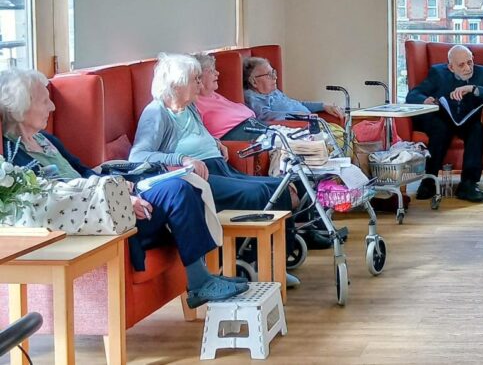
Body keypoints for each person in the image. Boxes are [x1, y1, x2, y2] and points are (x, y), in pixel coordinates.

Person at [0, 68, 248, 308]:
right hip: (90, 216)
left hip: (107, 201)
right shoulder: (13, 157)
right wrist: (116, 199)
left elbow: (84, 171)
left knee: (184, 185)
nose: (52, 107)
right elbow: (53, 196)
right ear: (21, 108)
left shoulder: (46, 141)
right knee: (177, 191)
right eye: (45, 102)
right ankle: (200, 282)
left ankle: (203, 276)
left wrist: (121, 192)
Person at [130, 53, 304, 286]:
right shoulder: (157, 112)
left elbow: (197, 134)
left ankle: (276, 262)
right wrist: (181, 158)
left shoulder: (189, 107)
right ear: (176, 83)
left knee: (280, 185)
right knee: (260, 193)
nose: (200, 85)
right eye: (195, 80)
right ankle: (256, 262)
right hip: (197, 177)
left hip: (219, 166)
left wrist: (215, 142)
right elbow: (138, 156)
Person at [405, 45, 483, 203]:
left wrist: (473, 88)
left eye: (469, 62)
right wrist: (425, 100)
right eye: (461, 65)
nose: (467, 68)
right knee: (440, 129)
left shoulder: (482, 73)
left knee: (477, 129)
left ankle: (468, 184)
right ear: (450, 67)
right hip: (442, 118)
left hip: (467, 120)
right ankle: (429, 181)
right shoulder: (438, 73)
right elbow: (414, 94)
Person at [243, 57, 343, 122]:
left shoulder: (273, 92)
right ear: (254, 82)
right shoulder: (252, 96)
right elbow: (264, 116)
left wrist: (323, 106)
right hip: (299, 130)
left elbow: (296, 103)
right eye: (269, 75)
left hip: (310, 122)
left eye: (274, 72)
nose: (275, 77)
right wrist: (298, 116)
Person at [192, 53, 263, 141]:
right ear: (198, 77)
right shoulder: (193, 102)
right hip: (239, 137)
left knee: (282, 137)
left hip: (255, 128)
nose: (217, 73)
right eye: (211, 71)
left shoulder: (214, 95)